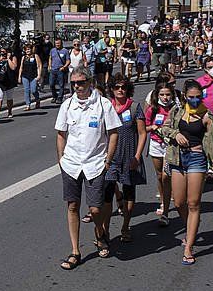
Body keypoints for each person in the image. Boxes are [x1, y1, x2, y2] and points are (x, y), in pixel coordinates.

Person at [156, 79, 213, 266]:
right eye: (191, 98)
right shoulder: (177, 111)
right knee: (179, 202)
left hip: (197, 159)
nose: (195, 101)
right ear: (185, 97)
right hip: (178, 159)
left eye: (198, 97)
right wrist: (175, 134)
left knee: (193, 202)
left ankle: (189, 245)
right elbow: (163, 128)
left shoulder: (207, 116)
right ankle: (192, 226)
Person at [55, 69, 121, 268]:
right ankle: (75, 251)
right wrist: (61, 158)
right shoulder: (67, 105)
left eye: (81, 82)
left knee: (95, 207)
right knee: (72, 206)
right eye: (73, 83)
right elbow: (61, 133)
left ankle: (100, 232)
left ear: (90, 82)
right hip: (72, 163)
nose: (77, 86)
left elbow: (113, 133)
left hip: (95, 164)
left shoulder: (103, 104)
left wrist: (107, 160)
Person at [105, 76, 147, 243]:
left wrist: (137, 156)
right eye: (116, 87)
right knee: (106, 194)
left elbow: (142, 133)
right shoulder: (107, 107)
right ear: (112, 89)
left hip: (129, 156)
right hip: (111, 157)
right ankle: (105, 229)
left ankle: (125, 226)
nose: (120, 90)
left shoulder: (135, 107)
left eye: (123, 87)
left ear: (128, 89)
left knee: (130, 193)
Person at [143, 81, 177, 226]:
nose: (165, 97)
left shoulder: (176, 108)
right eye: (162, 94)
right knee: (159, 176)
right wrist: (154, 127)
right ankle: (163, 201)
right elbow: (145, 126)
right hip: (156, 144)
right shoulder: (153, 109)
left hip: (170, 145)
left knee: (166, 176)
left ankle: (166, 213)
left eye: (168, 94)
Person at [0, 48, 19, 120]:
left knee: (9, 98)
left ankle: (9, 112)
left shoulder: (13, 58)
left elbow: (13, 67)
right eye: (1, 52)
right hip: (0, 81)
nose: (2, 53)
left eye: (4, 52)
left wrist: (8, 59)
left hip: (9, 81)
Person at [19, 42, 43, 111]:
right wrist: (19, 76)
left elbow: (39, 65)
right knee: (26, 90)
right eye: (26, 49)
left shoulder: (35, 56)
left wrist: (39, 75)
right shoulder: (24, 57)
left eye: (29, 49)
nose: (28, 51)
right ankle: (28, 105)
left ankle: (37, 99)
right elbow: (21, 67)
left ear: (31, 50)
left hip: (33, 76)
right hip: (25, 76)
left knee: (33, 90)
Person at [48, 37, 70, 104]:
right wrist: (49, 66)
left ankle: (60, 98)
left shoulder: (65, 51)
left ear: (61, 43)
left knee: (61, 85)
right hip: (53, 69)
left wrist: (64, 67)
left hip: (61, 70)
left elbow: (68, 61)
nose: (57, 45)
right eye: (56, 43)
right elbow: (50, 58)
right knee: (51, 84)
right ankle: (54, 96)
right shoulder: (52, 50)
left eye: (58, 43)